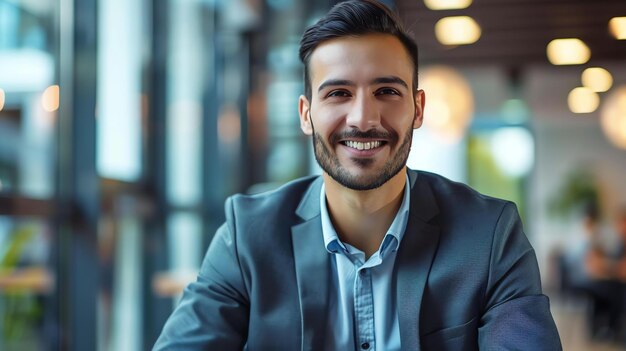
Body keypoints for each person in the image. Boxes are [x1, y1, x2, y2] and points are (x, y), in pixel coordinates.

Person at [153, 1, 561, 350]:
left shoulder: (489, 235)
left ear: (418, 109)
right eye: (338, 93)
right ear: (305, 114)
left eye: (387, 92)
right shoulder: (248, 236)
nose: (364, 119)